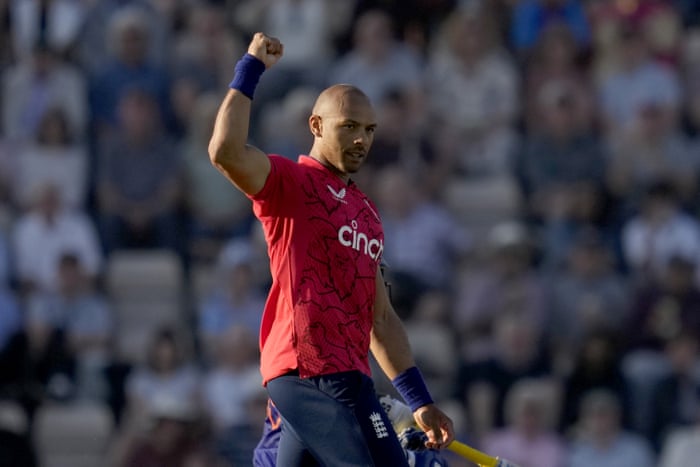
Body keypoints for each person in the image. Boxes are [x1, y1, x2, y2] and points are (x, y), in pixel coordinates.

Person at [208, 32, 455, 466]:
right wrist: (249, 70)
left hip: (352, 377)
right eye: (350, 127)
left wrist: (419, 400)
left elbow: (380, 318)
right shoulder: (289, 183)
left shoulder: (367, 213)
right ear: (316, 125)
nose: (362, 139)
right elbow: (225, 152)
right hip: (304, 372)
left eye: (370, 130)